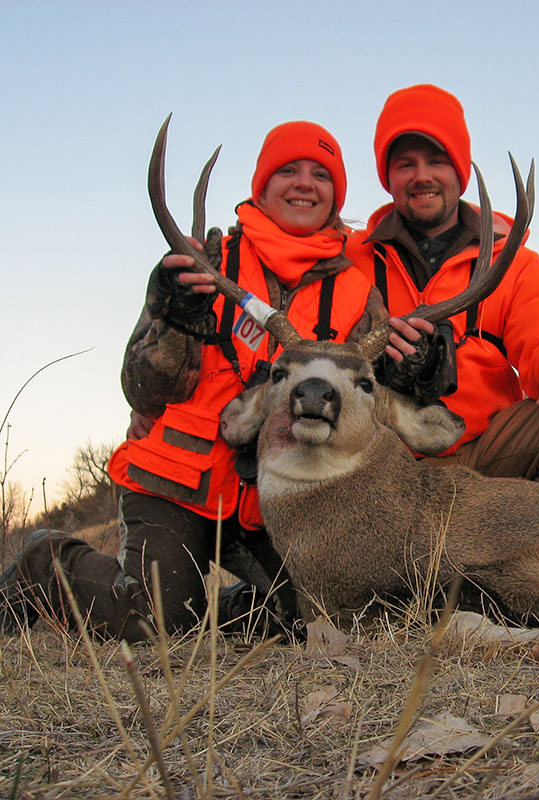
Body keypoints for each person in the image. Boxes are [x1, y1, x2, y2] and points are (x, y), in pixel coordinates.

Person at [0, 120, 429, 640]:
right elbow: (142, 391)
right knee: (156, 622)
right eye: (287, 170)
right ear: (262, 186)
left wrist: (416, 371)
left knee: (320, 613)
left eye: (320, 174)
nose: (303, 183)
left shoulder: (358, 293)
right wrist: (177, 319)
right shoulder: (206, 263)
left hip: (274, 497)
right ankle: (43, 563)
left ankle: (210, 615)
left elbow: (369, 396)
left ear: (335, 194)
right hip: (177, 482)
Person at [347, 84, 539, 486]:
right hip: (380, 465)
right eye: (405, 164)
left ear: (461, 173)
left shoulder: (509, 262)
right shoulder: (350, 258)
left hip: (489, 455)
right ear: (387, 176)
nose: (422, 176)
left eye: (437, 160)